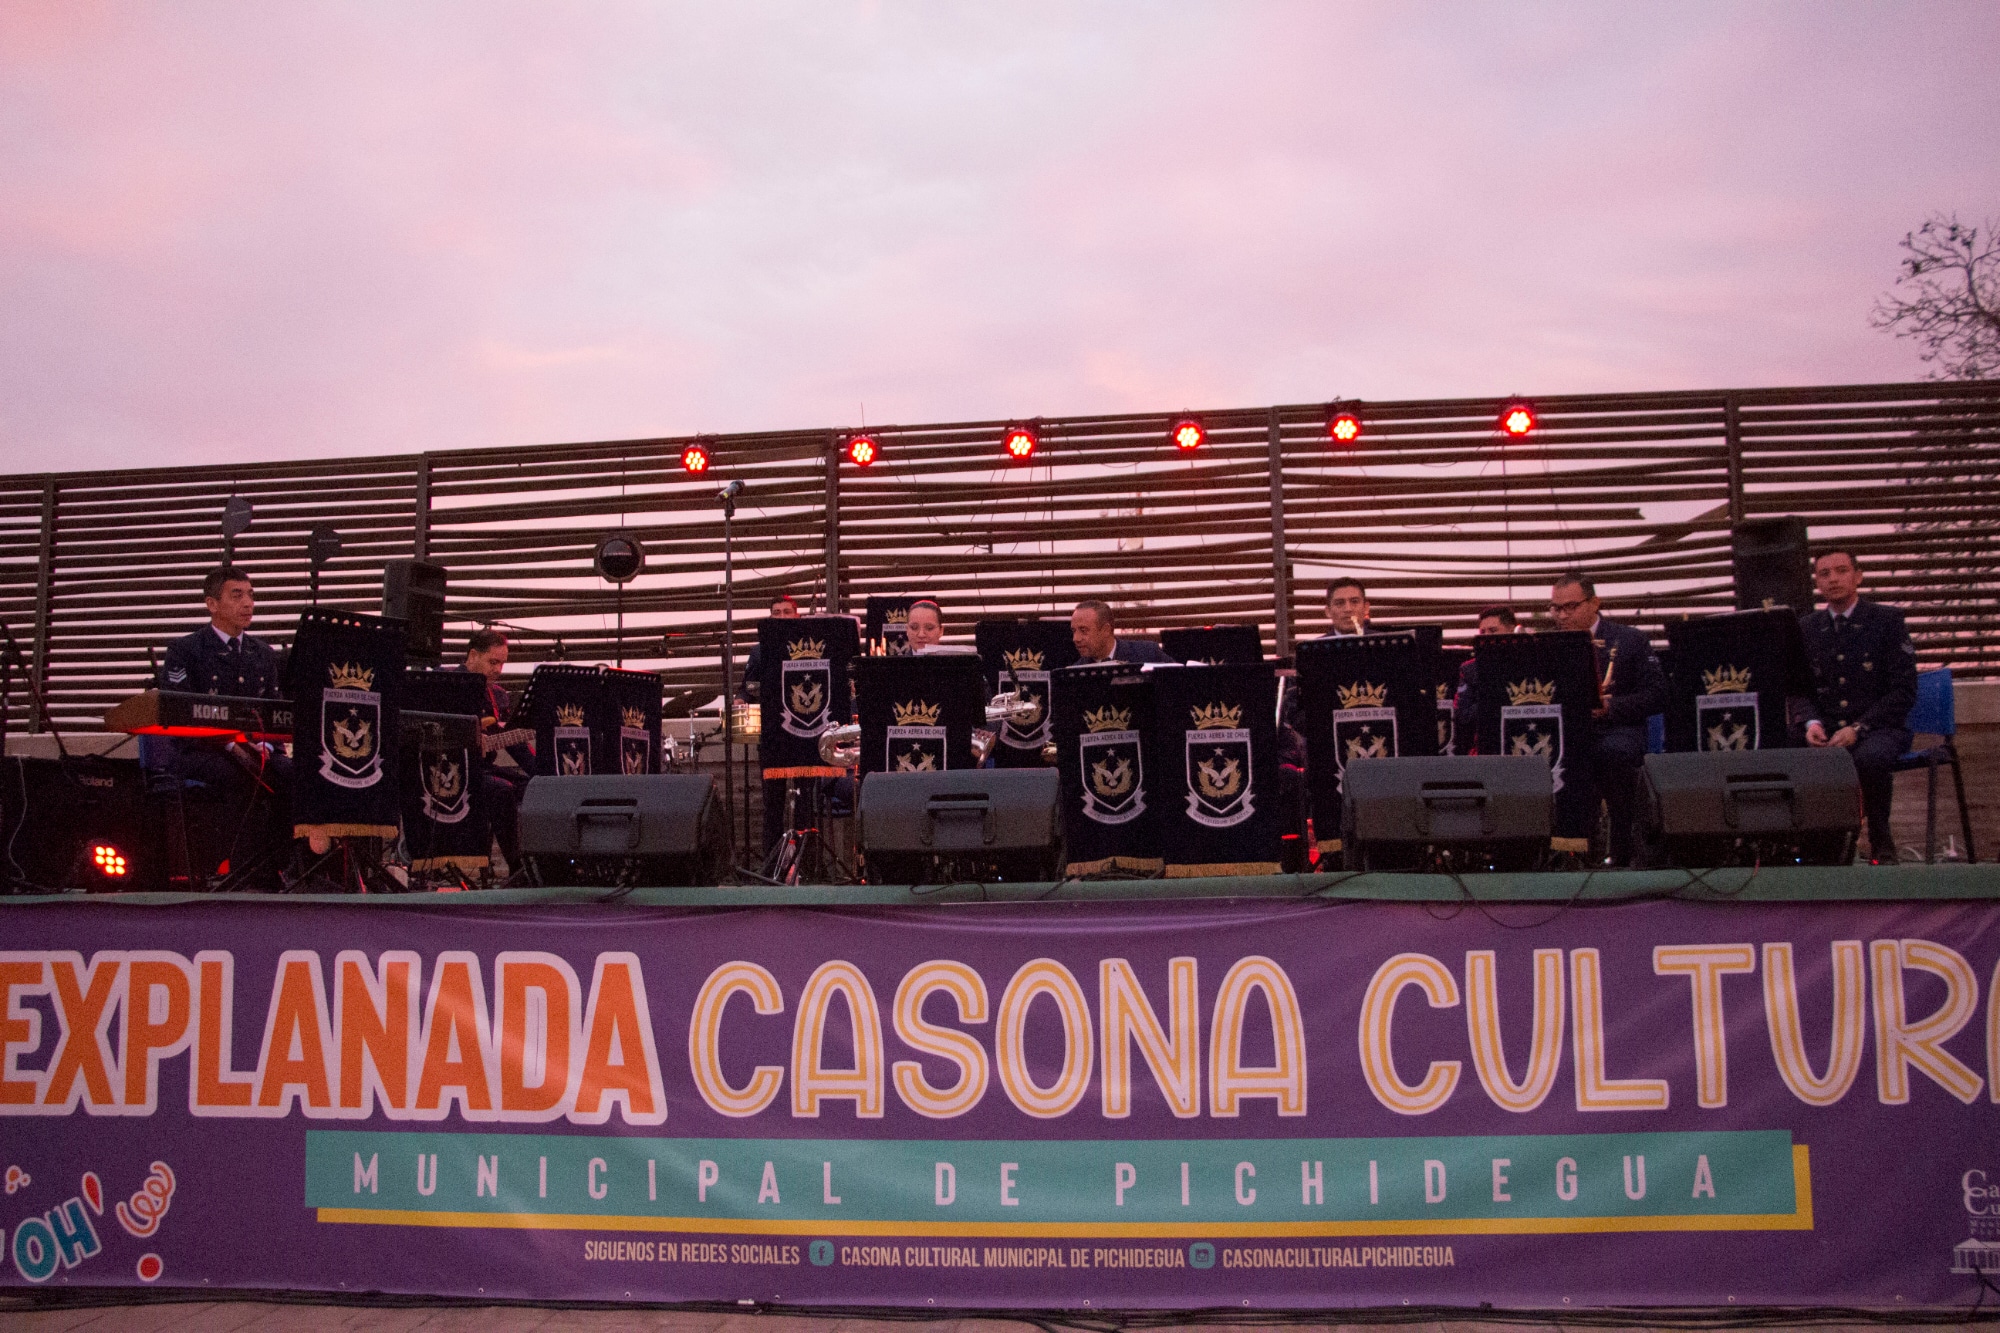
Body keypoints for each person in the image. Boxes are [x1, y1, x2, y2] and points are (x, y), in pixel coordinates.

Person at [155, 566, 293, 870]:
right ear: (212, 604)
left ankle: (284, 868)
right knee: (242, 778)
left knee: (294, 775)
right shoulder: (186, 650)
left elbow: (276, 713)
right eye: (237, 595)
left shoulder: (262, 653)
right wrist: (234, 746)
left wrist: (267, 747)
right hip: (202, 751)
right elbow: (182, 715)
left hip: (258, 748)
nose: (248, 604)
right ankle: (245, 873)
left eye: (251, 596)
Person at [1799, 548, 1917, 862]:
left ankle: (1880, 838)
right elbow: (1799, 689)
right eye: (1824, 574)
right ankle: (1814, 845)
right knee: (1789, 748)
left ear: (1858, 576)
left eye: (1841, 571)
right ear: (1817, 582)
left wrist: (1859, 728)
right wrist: (1811, 722)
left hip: (1879, 727)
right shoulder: (1807, 628)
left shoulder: (1887, 621)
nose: (1833, 579)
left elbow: (1903, 691)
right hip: (1828, 728)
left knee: (1870, 758)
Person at [1548, 573, 1666, 866]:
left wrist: (1611, 707)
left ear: (1594, 603)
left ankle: (1621, 850)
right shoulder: (1548, 644)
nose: (1562, 616)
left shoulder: (1629, 639)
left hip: (1617, 729)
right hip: (1566, 733)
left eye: (1570, 607)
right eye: (1556, 608)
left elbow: (1657, 694)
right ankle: (1558, 852)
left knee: (1610, 755)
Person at [460, 628, 528, 871]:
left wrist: (543, 773)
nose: (498, 670)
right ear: (473, 655)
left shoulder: (498, 695)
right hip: (455, 769)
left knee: (535, 787)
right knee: (502, 791)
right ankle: (517, 868)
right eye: (492, 662)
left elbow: (514, 742)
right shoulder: (446, 683)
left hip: (484, 768)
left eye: (502, 663)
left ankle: (538, 864)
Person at [1453, 605, 1522, 753]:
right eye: (1482, 632)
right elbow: (1463, 716)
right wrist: (1494, 695)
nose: (1486, 636)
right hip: (1486, 746)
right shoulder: (1470, 669)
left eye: (1493, 630)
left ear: (1512, 630)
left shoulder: (1528, 665)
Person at [738, 595, 801, 702]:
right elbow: (750, 686)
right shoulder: (759, 651)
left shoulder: (810, 647)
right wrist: (742, 698)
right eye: (777, 613)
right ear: (771, 618)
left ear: (797, 616)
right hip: (772, 707)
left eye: (787, 612)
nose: (782, 617)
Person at [1071, 600, 1172, 665]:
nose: (1076, 638)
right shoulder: (1074, 674)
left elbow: (1178, 683)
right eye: (1074, 631)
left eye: (1083, 630)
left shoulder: (1148, 654)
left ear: (1106, 630)